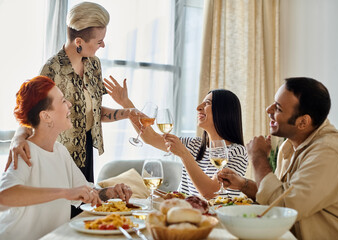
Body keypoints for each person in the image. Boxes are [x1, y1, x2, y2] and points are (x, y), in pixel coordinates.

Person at [217, 77, 338, 239]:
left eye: (278, 108)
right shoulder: (290, 146)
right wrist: (244, 184)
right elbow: (279, 195)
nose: (268, 110)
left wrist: (258, 157)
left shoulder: (328, 152)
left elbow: (281, 210)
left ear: (303, 122)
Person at [7, 2, 134, 182]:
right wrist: (18, 137)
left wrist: (129, 113)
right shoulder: (52, 69)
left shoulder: (93, 64)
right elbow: (33, 111)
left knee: (86, 206)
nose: (103, 45)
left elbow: (94, 112)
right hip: (58, 153)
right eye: (99, 41)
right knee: (64, 208)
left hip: (86, 148)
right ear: (79, 42)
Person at [0, 76, 132, 240]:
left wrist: (111, 192)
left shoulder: (60, 151)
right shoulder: (24, 152)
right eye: (62, 101)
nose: (69, 104)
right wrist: (64, 192)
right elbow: (4, 196)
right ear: (46, 116)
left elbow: (87, 193)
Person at [105, 78, 248, 200]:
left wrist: (184, 154)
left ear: (224, 111)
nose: (198, 108)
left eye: (207, 104)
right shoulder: (193, 144)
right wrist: (126, 103)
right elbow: (150, 137)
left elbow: (211, 194)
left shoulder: (237, 152)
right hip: (182, 214)